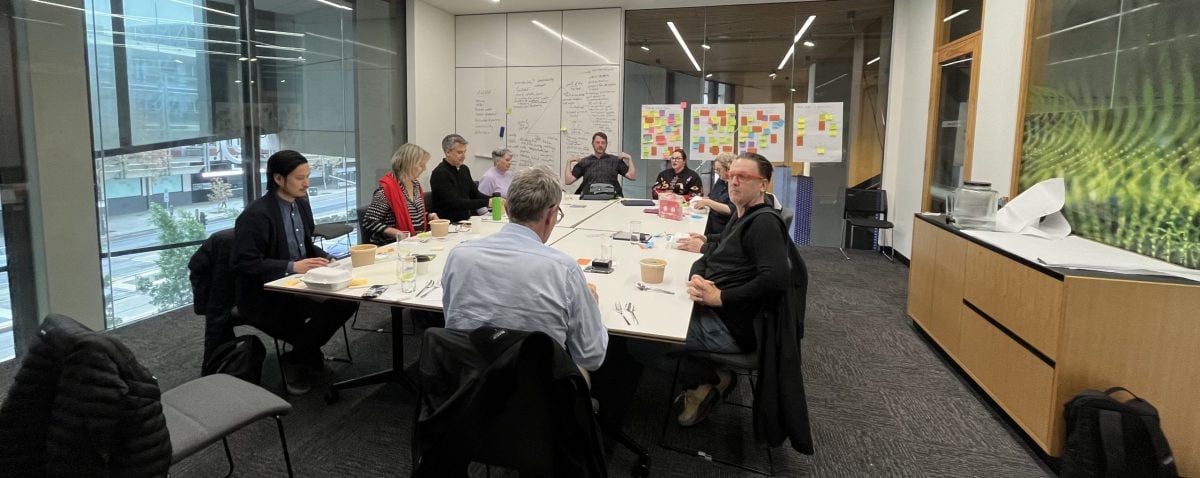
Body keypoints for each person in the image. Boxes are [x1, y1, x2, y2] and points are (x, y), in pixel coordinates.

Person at [631, 153, 794, 426]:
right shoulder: (744, 215)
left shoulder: (764, 223)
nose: (734, 182)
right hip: (718, 310)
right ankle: (709, 374)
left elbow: (777, 278)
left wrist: (721, 297)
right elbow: (710, 256)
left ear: (763, 184)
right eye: (731, 176)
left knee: (640, 341)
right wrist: (696, 276)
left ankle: (708, 379)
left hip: (730, 325)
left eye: (744, 177)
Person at [441, 166, 608, 371]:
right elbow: (591, 357)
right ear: (551, 214)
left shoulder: (459, 257)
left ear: (508, 208)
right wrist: (591, 307)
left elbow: (452, 320)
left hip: (466, 383)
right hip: (536, 391)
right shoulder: (564, 271)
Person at [232, 150, 358, 395]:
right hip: (265, 294)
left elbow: (305, 244)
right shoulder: (256, 215)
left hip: (299, 283)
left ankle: (297, 356)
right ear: (279, 179)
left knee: (347, 301)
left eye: (308, 176)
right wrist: (291, 266)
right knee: (311, 314)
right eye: (300, 178)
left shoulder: (300, 204)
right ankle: (303, 356)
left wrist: (325, 258)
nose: (307, 183)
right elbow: (243, 263)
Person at [361, 143, 438, 245]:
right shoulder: (386, 191)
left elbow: (413, 214)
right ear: (408, 165)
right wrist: (396, 232)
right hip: (391, 246)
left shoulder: (415, 185)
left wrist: (430, 216)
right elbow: (368, 221)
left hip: (415, 242)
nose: (424, 168)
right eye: (421, 165)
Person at [430, 134, 490, 222]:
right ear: (447, 152)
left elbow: (475, 194)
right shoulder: (440, 173)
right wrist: (487, 202)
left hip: (465, 221)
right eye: (459, 152)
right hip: (448, 224)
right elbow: (455, 203)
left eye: (464, 152)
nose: (463, 156)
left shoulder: (464, 169)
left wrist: (494, 199)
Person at [565, 132, 636, 197]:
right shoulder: (585, 162)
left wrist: (629, 159)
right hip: (589, 199)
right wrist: (569, 162)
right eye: (597, 142)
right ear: (593, 144)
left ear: (606, 144)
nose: (600, 145)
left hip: (612, 199)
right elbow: (568, 181)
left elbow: (632, 176)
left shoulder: (615, 160)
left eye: (603, 143)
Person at [695, 152, 735, 235]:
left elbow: (730, 210)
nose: (716, 172)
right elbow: (711, 197)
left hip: (722, 228)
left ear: (728, 168)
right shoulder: (721, 180)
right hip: (710, 221)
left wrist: (708, 202)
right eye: (716, 170)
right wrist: (700, 200)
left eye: (719, 170)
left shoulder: (735, 184)